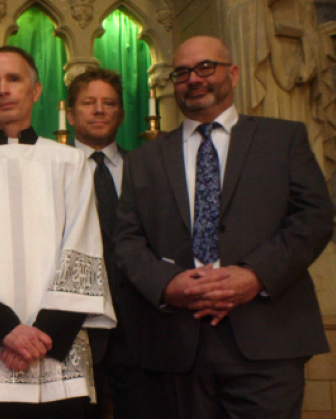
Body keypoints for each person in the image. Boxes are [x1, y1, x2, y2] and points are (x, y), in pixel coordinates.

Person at [115, 35, 334, 418]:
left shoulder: (282, 138)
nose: (193, 79)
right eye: (182, 72)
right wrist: (168, 284)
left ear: (232, 74)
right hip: (178, 344)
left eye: (205, 67)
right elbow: (127, 242)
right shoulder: (144, 159)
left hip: (269, 338)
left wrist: (255, 276)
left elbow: (313, 218)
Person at [0, 45, 115, 419]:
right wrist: (4, 331)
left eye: (14, 79)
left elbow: (82, 249)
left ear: (36, 89)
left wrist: (40, 337)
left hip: (53, 352)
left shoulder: (69, 163)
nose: (3, 89)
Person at [65, 68, 163, 419]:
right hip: (71, 329)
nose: (99, 110)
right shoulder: (52, 168)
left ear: (120, 114)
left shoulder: (147, 167)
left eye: (109, 103)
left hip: (140, 328)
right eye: (89, 103)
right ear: (71, 114)